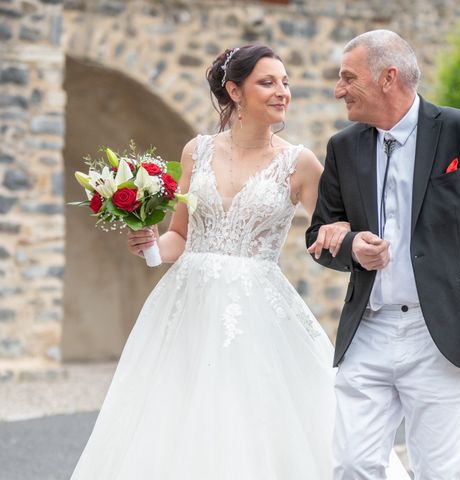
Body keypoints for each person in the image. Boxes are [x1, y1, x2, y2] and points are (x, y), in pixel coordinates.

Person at [70, 44, 409, 479]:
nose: (282, 92)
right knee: (175, 419)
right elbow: (180, 238)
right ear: (234, 90)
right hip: (186, 306)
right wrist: (150, 247)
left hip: (258, 312)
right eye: (267, 83)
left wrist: (352, 240)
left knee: (251, 420)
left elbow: (338, 228)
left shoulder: (299, 163)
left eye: (285, 82)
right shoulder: (198, 151)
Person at [306, 30, 460, 479]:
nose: (337, 89)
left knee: (438, 471)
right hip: (368, 329)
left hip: (440, 332)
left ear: (389, 77)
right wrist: (352, 248)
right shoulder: (342, 147)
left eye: (348, 77)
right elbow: (320, 236)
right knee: (352, 464)